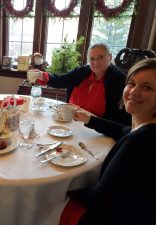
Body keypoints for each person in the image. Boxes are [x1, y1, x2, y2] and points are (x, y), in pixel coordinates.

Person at [59, 58, 156, 225]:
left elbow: (100, 197)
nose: (133, 92)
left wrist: (63, 189)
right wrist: (89, 119)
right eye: (131, 83)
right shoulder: (146, 129)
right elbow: (121, 130)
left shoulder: (140, 141)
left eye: (147, 87)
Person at [37, 43, 131, 125]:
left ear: (109, 57)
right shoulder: (82, 71)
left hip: (96, 127)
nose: (96, 62)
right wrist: (41, 75)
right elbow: (61, 80)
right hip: (70, 121)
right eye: (92, 58)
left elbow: (118, 113)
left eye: (100, 57)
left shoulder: (118, 78)